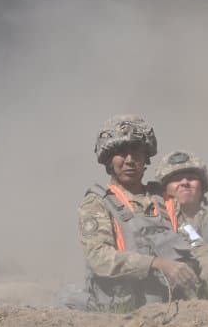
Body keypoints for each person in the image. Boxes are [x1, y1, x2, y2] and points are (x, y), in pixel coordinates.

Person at [76, 115, 200, 310]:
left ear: (146, 158)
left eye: (136, 152)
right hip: (122, 315)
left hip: (176, 308)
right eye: (121, 153)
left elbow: (195, 241)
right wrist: (157, 264)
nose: (130, 160)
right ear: (108, 159)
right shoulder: (98, 203)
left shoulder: (165, 200)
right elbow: (99, 258)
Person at [146, 149, 208, 288]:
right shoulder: (153, 222)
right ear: (164, 188)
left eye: (191, 177)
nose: (184, 182)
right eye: (176, 179)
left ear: (202, 185)